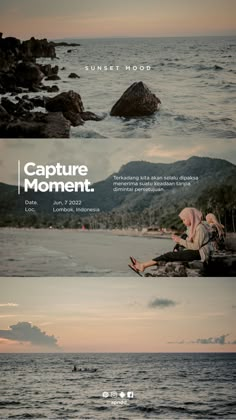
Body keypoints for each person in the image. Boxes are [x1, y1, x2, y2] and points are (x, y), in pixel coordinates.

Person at [128, 207, 213, 275]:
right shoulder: (193, 227)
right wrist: (179, 242)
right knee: (174, 251)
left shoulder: (200, 228)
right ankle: (143, 265)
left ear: (191, 217)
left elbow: (196, 246)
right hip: (197, 251)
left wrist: (180, 240)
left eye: (184, 220)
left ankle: (143, 265)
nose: (183, 222)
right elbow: (187, 238)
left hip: (200, 253)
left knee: (169, 255)